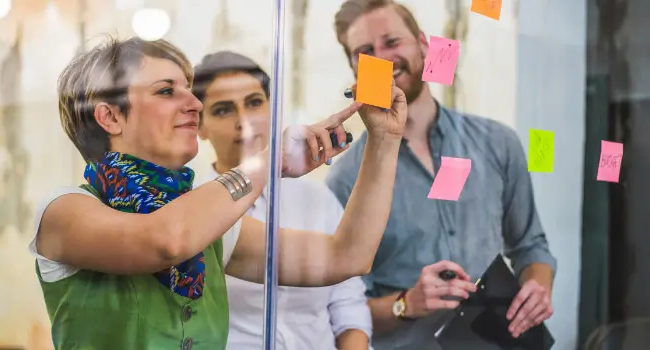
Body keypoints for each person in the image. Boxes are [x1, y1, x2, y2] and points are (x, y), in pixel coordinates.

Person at [29, 35, 407, 349]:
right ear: (110, 116)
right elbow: (167, 240)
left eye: (190, 91)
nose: (194, 104)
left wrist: (385, 140)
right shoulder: (63, 211)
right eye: (166, 91)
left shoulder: (212, 225)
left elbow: (347, 257)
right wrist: (268, 160)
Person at [326, 1, 557, 349]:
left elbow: (531, 246)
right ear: (354, 68)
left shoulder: (497, 143)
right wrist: (406, 303)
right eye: (366, 51)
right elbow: (344, 310)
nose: (383, 58)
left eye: (392, 42)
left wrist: (538, 287)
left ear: (422, 44)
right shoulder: (345, 179)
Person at [192, 51, 372, 350]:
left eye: (254, 103)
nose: (243, 120)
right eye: (223, 110)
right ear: (199, 127)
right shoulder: (194, 206)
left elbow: (348, 305)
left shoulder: (317, 198)